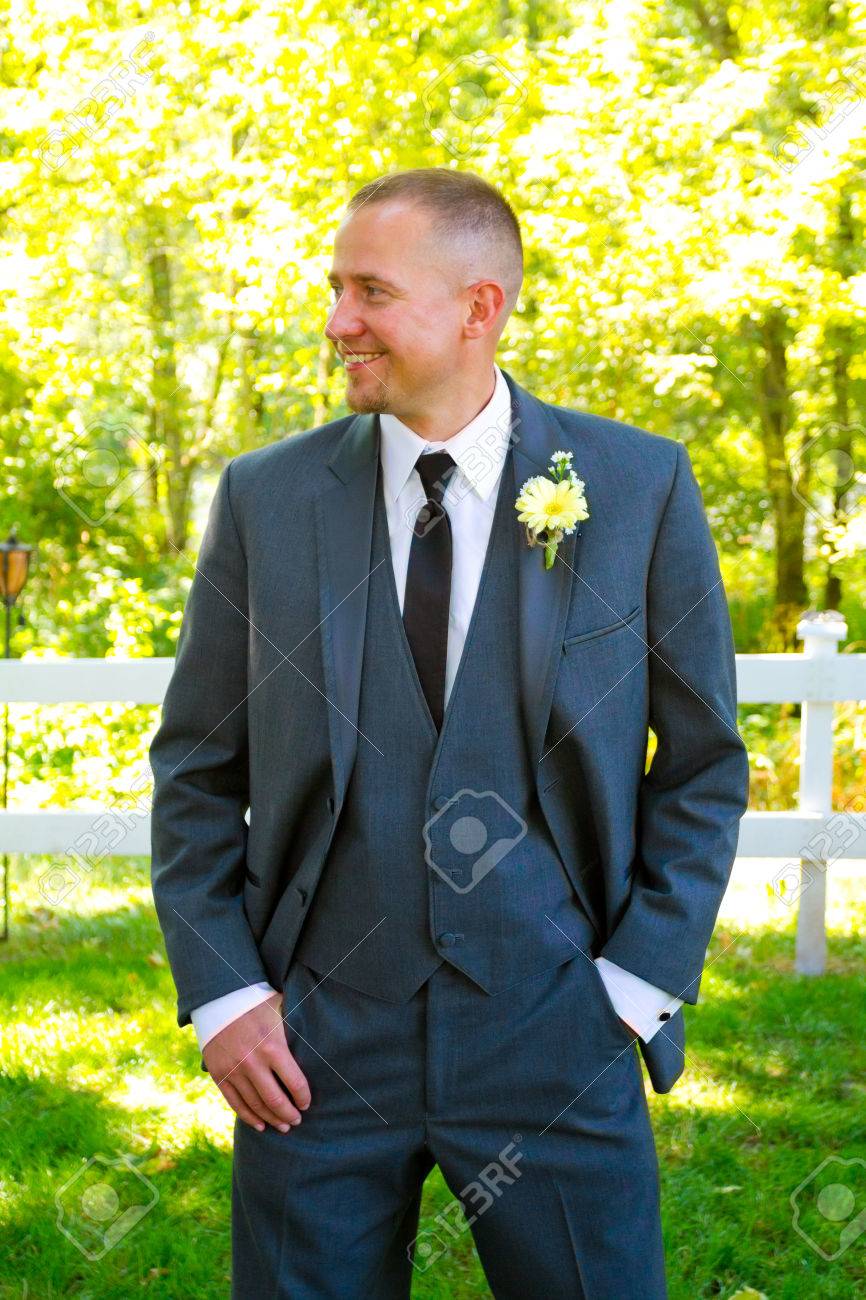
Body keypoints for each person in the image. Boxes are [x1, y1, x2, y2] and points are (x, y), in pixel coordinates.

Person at [149, 166, 750, 1299]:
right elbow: (193, 765)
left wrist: (630, 988)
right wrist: (225, 996)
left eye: (370, 292)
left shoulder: (634, 486)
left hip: (557, 1032)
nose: (337, 323)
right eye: (335, 289)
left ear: (480, 307)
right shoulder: (267, 500)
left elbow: (706, 763)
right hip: (309, 1048)